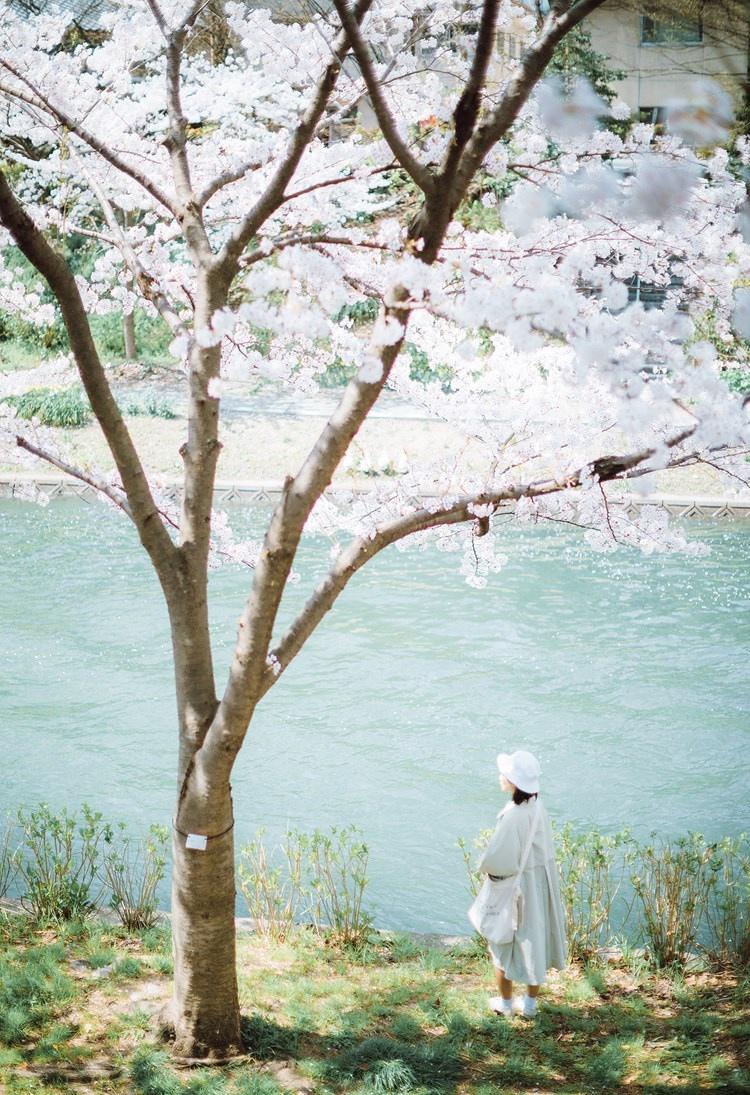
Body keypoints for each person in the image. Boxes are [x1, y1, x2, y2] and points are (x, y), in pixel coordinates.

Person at [476, 749, 567, 1018]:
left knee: (502, 941)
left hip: (517, 887)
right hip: (538, 883)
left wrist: (486, 871)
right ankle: (529, 1004)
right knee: (534, 940)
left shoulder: (513, 815)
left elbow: (497, 857)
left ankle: (505, 1004)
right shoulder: (538, 808)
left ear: (513, 782)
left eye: (504, 774)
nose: (500, 776)